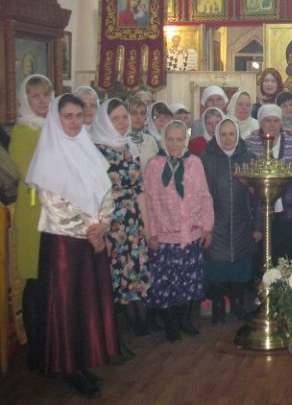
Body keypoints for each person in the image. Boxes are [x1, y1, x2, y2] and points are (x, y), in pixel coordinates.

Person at [27, 94, 118, 398]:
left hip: (91, 241)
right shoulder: (48, 155)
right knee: (67, 305)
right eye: (68, 116)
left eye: (78, 116)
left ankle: (83, 360)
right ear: (57, 119)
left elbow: (105, 193)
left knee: (86, 303)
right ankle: (68, 365)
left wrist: (103, 223)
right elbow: (55, 206)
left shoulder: (85, 148)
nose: (74, 122)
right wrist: (92, 231)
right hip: (64, 245)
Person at [144, 120, 214, 341]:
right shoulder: (154, 165)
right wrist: (151, 233)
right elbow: (148, 200)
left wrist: (207, 227)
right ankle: (170, 323)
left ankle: (185, 319)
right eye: (170, 139)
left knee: (188, 280)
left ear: (186, 140)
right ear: (164, 140)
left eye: (179, 139)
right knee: (166, 282)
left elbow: (204, 195)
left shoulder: (195, 162)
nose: (175, 144)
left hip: (191, 233)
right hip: (165, 234)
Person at [90, 98, 152, 344]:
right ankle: (113, 335)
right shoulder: (95, 151)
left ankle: (138, 323)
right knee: (114, 276)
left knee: (135, 270)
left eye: (124, 117)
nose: (122, 122)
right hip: (110, 222)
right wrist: (100, 228)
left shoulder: (128, 147)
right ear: (104, 121)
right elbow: (93, 194)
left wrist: (147, 227)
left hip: (132, 221)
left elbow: (140, 190)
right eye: (115, 118)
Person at [9, 74, 53, 372]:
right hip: (35, 211)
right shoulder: (24, 131)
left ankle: (50, 344)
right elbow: (34, 173)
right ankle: (36, 350)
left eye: (46, 95)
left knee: (48, 280)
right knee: (35, 281)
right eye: (35, 96)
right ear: (25, 99)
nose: (42, 101)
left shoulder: (52, 127)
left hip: (54, 213)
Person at [201, 118, 260, 324]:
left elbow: (260, 197)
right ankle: (218, 307)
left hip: (243, 223)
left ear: (238, 135)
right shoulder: (205, 159)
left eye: (231, 134)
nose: (227, 138)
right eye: (223, 134)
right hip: (215, 224)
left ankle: (238, 304)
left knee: (240, 267)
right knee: (216, 267)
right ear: (217, 136)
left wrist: (258, 226)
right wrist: (204, 227)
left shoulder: (249, 158)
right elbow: (200, 196)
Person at [246, 104, 292, 261]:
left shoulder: (291, 143)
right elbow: (246, 175)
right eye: (267, 121)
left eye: (276, 121)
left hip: (287, 211)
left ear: (281, 123)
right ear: (260, 123)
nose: (272, 125)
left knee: (287, 257)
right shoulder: (250, 143)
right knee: (260, 257)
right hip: (258, 213)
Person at [127, 95, 159, 166]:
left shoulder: (150, 140)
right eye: (134, 113)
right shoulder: (121, 141)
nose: (139, 117)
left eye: (142, 113)